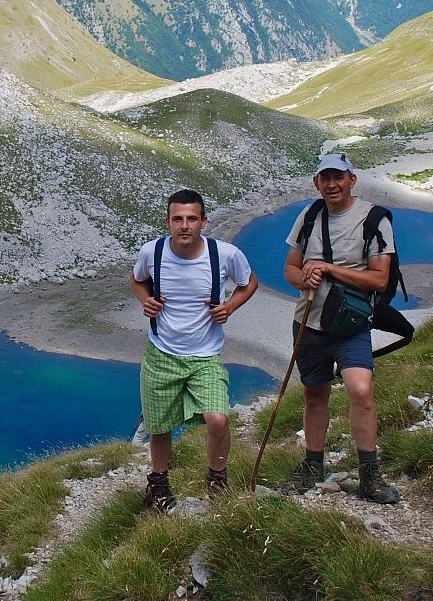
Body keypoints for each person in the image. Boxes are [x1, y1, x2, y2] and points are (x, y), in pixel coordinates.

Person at [283, 153, 401, 504]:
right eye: (325, 178)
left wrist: (328, 269)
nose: (331, 185)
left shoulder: (374, 219)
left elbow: (379, 280)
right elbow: (290, 269)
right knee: (314, 393)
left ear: (352, 180)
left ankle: (370, 474)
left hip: (350, 324)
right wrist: (304, 275)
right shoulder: (309, 216)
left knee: (359, 389)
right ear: (316, 183)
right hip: (308, 321)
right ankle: (312, 466)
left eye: (339, 177)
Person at [130, 189, 258, 510]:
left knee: (218, 419)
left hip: (205, 356)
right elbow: (137, 280)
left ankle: (217, 481)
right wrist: (145, 300)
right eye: (177, 219)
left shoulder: (225, 255)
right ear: (168, 221)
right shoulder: (153, 252)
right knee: (159, 426)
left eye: (191, 218)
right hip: (161, 353)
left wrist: (230, 307)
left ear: (204, 221)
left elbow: (249, 282)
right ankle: (158, 487)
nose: (184, 225)